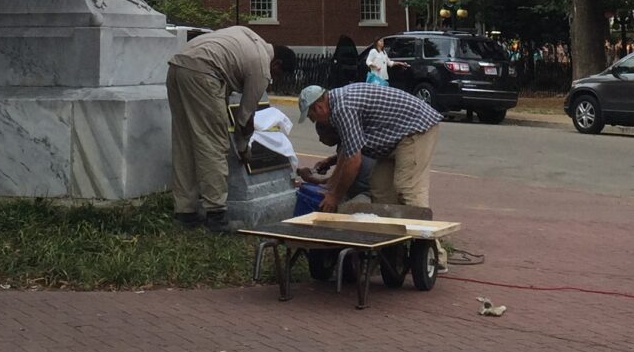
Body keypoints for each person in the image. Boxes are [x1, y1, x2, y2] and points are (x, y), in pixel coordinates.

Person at [164, 25, 279, 230]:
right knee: (214, 143)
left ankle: (185, 211)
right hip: (203, 73)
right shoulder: (262, 67)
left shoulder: (248, 35)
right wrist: (243, 148)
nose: (272, 81)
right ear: (277, 64)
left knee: (184, 142)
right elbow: (245, 118)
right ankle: (216, 215)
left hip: (177, 65)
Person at [297, 80, 443, 213]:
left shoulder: (343, 108)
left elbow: (353, 161)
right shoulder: (338, 103)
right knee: (380, 189)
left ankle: (423, 238)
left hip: (416, 128)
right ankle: (393, 235)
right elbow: (349, 150)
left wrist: (334, 196)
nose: (314, 121)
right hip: (395, 139)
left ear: (319, 107)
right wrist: (330, 182)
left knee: (407, 188)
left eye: (311, 117)